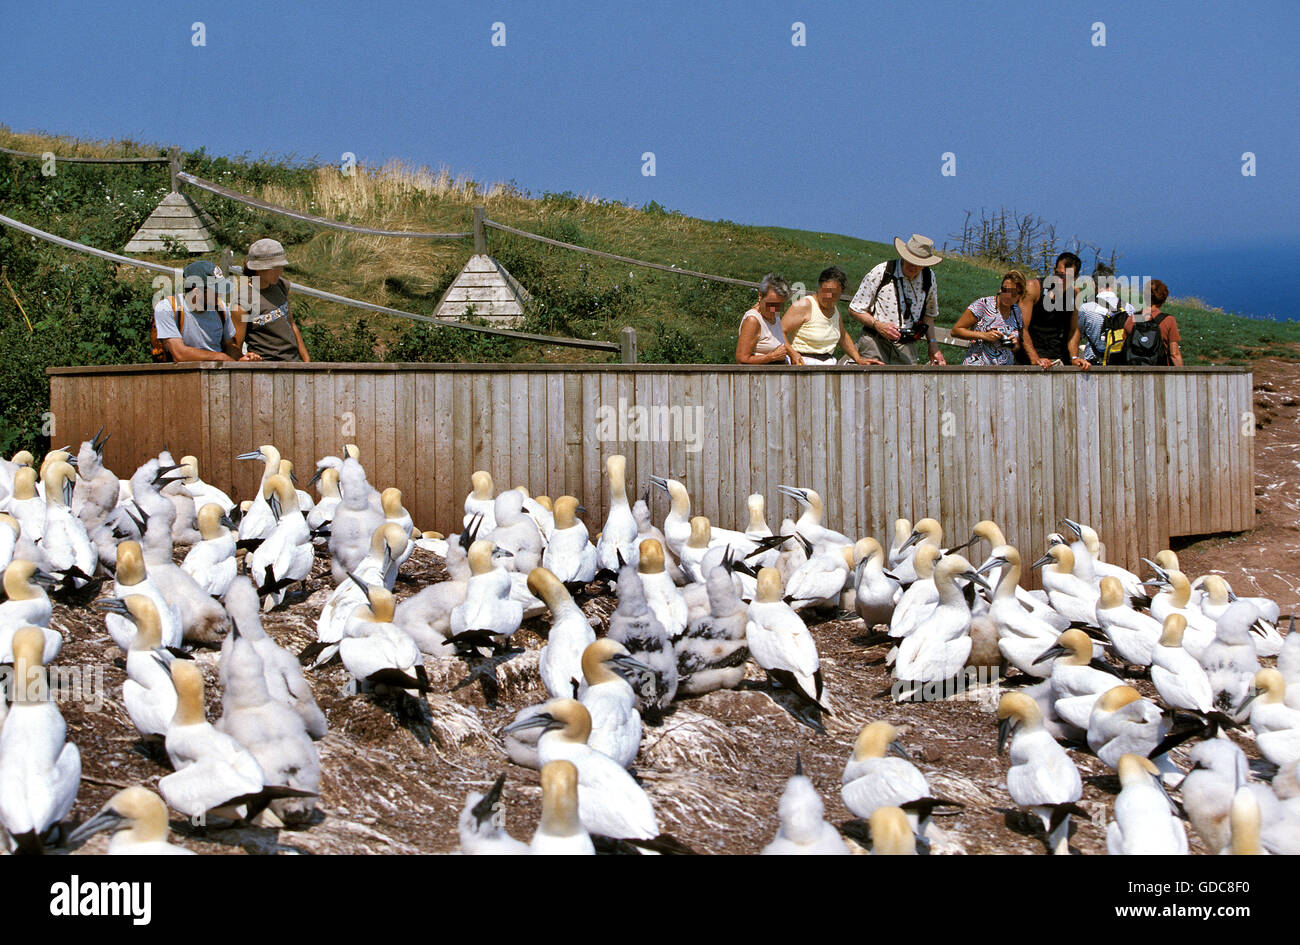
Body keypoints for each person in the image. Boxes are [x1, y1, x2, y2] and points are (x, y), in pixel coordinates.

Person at [848, 234, 947, 366]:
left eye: (919, 264)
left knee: (906, 386)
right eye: (910, 261)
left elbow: (929, 314)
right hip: (875, 342)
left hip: (907, 346)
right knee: (870, 385)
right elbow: (855, 309)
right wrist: (877, 325)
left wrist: (933, 345)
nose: (913, 267)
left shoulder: (928, 278)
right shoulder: (882, 272)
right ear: (903, 256)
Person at [152, 260, 261, 363]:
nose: (220, 295)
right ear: (197, 291)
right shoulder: (168, 308)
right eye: (216, 290)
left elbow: (229, 346)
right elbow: (179, 354)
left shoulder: (221, 309)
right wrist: (220, 357)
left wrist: (242, 358)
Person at [782, 266, 881, 366]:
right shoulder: (804, 305)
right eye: (826, 292)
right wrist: (792, 353)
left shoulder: (835, 309)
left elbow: (842, 336)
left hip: (828, 363)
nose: (829, 297)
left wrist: (858, 358)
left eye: (834, 294)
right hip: (802, 363)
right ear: (819, 287)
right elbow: (781, 331)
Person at [232, 238, 311, 362]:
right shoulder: (243, 303)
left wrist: (307, 361)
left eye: (281, 267)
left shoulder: (281, 285)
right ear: (258, 268)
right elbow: (236, 347)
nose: (279, 272)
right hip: (267, 367)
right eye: (274, 268)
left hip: (293, 362)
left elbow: (291, 323)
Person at [1019, 251, 1091, 371]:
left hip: (1059, 357)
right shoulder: (1034, 288)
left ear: (1075, 277)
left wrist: (1074, 357)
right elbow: (1022, 327)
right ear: (1054, 270)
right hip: (1031, 358)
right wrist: (1035, 359)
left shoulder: (1074, 294)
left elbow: (1074, 330)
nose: (1062, 280)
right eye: (1059, 275)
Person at [951, 271, 1026, 366]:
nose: (1008, 296)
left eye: (1013, 293)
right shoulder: (983, 305)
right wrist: (984, 336)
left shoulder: (1017, 311)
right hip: (977, 369)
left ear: (1020, 294)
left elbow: (1017, 347)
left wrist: (1014, 344)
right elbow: (955, 331)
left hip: (1004, 372)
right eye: (1005, 290)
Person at [736, 274, 804, 365]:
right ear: (760, 296)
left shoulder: (774, 315)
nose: (774, 310)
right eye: (771, 304)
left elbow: (777, 340)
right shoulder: (753, 320)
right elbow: (741, 359)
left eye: (779, 305)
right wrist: (771, 357)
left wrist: (792, 353)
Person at [1124, 279, 1183, 366]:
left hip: (1135, 372)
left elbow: (1125, 346)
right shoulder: (1168, 321)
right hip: (1160, 372)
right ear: (1163, 298)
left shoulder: (1132, 319)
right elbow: (1174, 354)